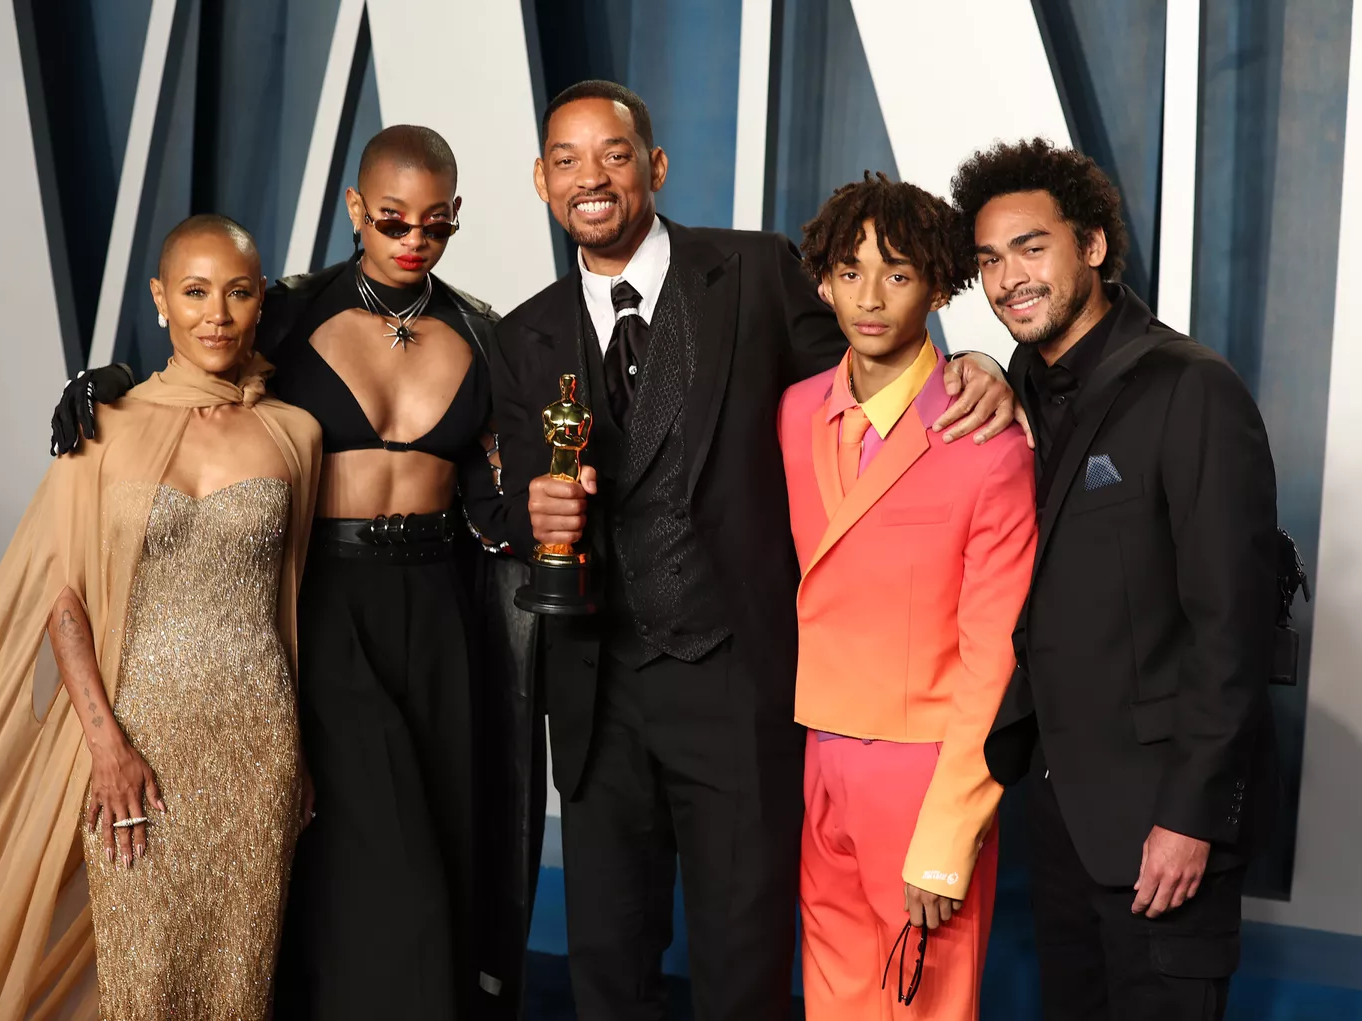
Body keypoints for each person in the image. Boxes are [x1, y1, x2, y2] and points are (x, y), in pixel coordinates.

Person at [490, 80, 1022, 1021]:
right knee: (607, 968)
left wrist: (975, 359)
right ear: (540, 180)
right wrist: (529, 509)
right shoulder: (523, 333)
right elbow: (520, 493)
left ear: (653, 165)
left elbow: (875, 369)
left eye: (613, 153)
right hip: (597, 694)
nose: (591, 178)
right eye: (566, 161)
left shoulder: (755, 271)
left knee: (745, 963)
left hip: (739, 686)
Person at [48, 126, 539, 1021]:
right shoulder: (288, 310)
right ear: (357, 209)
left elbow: (495, 500)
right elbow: (202, 354)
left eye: (435, 224)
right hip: (328, 605)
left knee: (447, 846)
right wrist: (111, 379)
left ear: (457, 217)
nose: (412, 240)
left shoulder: (483, 330)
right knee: (382, 866)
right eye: (392, 219)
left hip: (440, 608)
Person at [0, 215, 322, 1020]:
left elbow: (293, 598)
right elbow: (62, 601)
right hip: (134, 736)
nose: (216, 313)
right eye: (194, 291)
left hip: (257, 741)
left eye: (238, 292)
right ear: (160, 301)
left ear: (260, 304)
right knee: (137, 968)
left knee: (236, 975)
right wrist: (105, 743)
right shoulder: (100, 428)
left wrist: (300, 753)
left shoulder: (296, 434)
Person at [956, 139, 1280, 1021]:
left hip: (1165, 831)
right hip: (1061, 826)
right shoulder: (1018, 381)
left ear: (1092, 246)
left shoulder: (1192, 389)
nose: (1008, 277)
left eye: (1031, 247)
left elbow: (1234, 632)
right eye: (989, 259)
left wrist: (1192, 820)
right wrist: (983, 369)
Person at [777, 173, 1037, 1020]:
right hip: (819, 751)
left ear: (937, 283)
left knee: (922, 1004)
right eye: (849, 272)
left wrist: (950, 830)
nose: (870, 296)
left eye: (895, 272)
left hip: (926, 770)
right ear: (822, 283)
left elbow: (994, 655)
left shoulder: (987, 442)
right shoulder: (793, 412)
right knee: (834, 995)